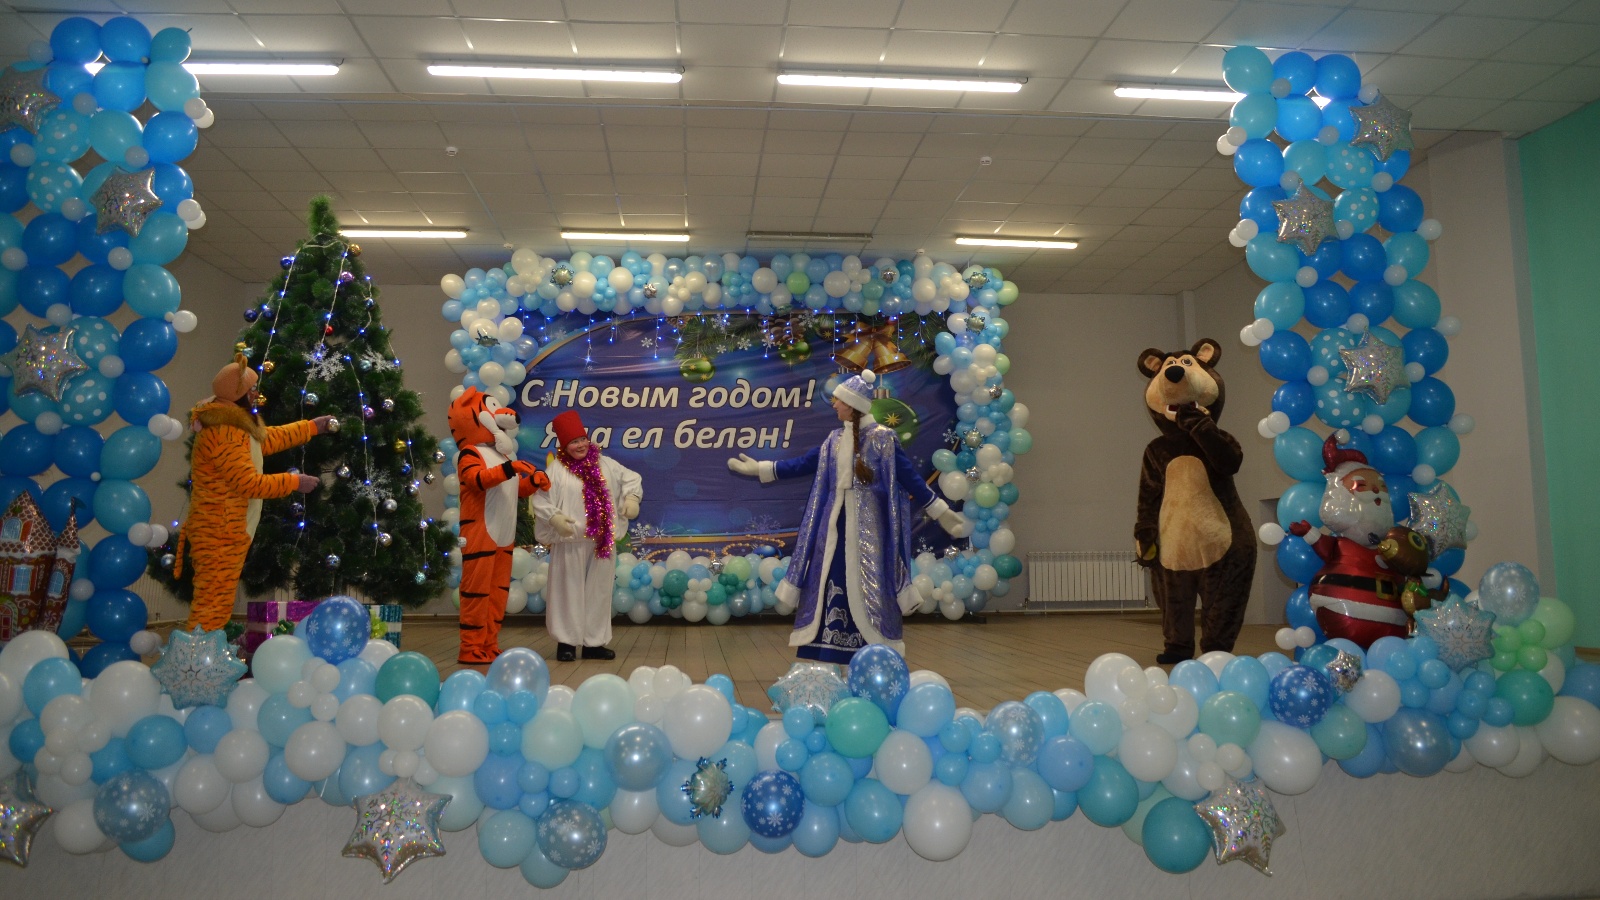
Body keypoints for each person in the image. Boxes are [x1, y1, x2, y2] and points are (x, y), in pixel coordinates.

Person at [727, 370, 965, 663]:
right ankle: (827, 650)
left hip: (869, 535)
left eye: (839, 400)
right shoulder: (834, 440)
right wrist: (763, 468)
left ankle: (871, 648)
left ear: (852, 406)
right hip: (832, 530)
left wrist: (940, 511)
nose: (834, 405)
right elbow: (803, 464)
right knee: (829, 580)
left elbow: (910, 478)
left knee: (868, 583)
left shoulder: (883, 439)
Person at [175, 348, 333, 632]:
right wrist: (294, 482)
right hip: (219, 530)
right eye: (251, 389)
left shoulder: (235, 422)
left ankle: (204, 651)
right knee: (213, 602)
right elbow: (248, 483)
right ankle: (198, 656)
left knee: (217, 600)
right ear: (237, 394)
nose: (256, 394)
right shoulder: (224, 431)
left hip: (226, 528)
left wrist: (310, 427)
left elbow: (264, 441)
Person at [448, 387, 550, 665]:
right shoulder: (470, 453)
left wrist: (532, 482)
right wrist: (511, 469)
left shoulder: (502, 456)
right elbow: (477, 481)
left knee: (496, 594)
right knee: (476, 593)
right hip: (480, 533)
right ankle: (470, 647)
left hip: (503, 535)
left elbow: (512, 491)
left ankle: (489, 643)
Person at [533, 410, 642, 662]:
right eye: (573, 442)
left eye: (582, 439)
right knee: (567, 592)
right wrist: (554, 518)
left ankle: (594, 643)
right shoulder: (556, 470)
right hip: (570, 542)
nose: (580, 445)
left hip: (601, 542)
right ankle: (566, 643)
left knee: (599, 592)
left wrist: (632, 498)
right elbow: (540, 498)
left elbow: (631, 478)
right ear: (564, 446)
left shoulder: (606, 464)